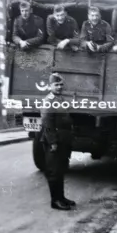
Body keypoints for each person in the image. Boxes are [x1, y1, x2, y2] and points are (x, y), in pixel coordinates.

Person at [40, 73, 76, 211]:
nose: (59, 87)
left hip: (63, 140)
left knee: (60, 170)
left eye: (61, 84)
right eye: (56, 84)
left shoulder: (60, 99)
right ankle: (55, 201)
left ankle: (61, 198)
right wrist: (53, 142)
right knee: (54, 172)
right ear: (50, 86)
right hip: (54, 142)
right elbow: (47, 123)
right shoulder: (49, 101)